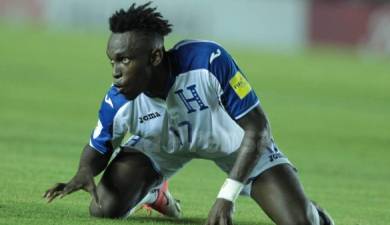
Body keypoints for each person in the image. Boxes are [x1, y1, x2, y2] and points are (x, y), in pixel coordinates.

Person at [44, 2, 334, 225]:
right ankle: (154, 193)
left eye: (124, 60)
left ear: (155, 56)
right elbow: (98, 147)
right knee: (103, 208)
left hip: (235, 145)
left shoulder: (208, 61)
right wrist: (84, 170)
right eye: (112, 62)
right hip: (162, 146)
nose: (116, 72)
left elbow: (258, 129)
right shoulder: (117, 99)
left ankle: (316, 214)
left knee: (300, 221)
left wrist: (226, 196)